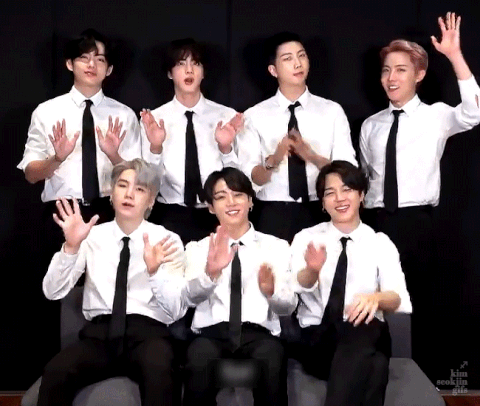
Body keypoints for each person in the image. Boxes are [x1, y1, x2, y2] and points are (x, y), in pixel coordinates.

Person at [359, 13, 480, 366]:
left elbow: (474, 113)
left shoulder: (436, 116)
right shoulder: (370, 125)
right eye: (386, 70)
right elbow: (366, 175)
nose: (391, 78)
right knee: (375, 305)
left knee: (421, 306)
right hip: (376, 224)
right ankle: (375, 379)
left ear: (419, 75)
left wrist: (454, 55)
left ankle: (423, 383)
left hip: (418, 224)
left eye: (401, 70)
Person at [38, 159, 185, 406]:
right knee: (57, 371)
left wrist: (155, 273)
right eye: (122, 185)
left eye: (140, 189)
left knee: (160, 369)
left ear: (150, 200)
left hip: (148, 335)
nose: (129, 194)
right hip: (99, 335)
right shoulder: (90, 236)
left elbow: (176, 310)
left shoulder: (167, 240)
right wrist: (71, 247)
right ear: (111, 193)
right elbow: (52, 292)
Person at [291, 160, 411, 406]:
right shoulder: (307, 238)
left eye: (347, 189)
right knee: (376, 365)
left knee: (364, 326)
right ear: (323, 203)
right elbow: (296, 285)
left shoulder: (380, 242)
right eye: (330, 193)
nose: (339, 198)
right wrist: (312, 270)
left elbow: (397, 297)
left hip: (365, 334)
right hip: (319, 340)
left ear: (361, 195)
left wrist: (376, 298)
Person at [181, 167, 296, 406]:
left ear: (250, 201)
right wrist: (210, 273)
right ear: (211, 207)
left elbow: (288, 307)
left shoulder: (276, 247)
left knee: (272, 356)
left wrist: (272, 292)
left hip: (259, 334)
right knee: (198, 358)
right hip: (211, 333)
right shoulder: (197, 248)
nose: (231, 202)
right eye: (221, 197)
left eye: (238, 195)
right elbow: (189, 298)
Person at [237, 32, 357, 243]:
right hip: (272, 213)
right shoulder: (254, 116)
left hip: (321, 210)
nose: (297, 63)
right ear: (273, 70)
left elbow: (348, 173)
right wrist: (274, 160)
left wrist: (311, 156)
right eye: (288, 58)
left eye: (301, 56)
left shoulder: (332, 111)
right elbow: (251, 179)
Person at [18, 29, 141, 224]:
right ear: (70, 63)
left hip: (111, 213)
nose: (91, 65)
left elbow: (139, 178)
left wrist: (114, 155)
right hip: (62, 213)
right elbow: (30, 175)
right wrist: (57, 159)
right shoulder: (46, 112)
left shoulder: (124, 115)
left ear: (109, 69)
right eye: (84, 58)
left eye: (100, 59)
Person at [140, 38, 244, 245]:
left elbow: (240, 180)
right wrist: (155, 147)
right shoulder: (153, 120)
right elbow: (148, 183)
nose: (189, 70)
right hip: (169, 214)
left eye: (195, 64)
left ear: (203, 72)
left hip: (218, 214)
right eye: (181, 64)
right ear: (170, 73)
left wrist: (225, 148)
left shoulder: (227, 116)